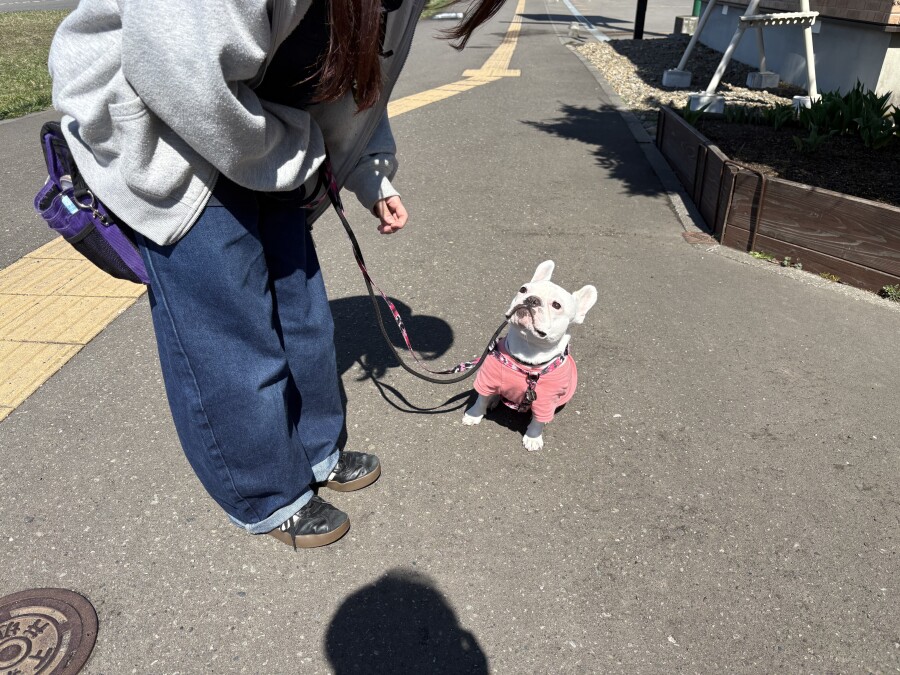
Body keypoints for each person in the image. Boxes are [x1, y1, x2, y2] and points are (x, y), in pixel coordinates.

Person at [47, 0, 507, 549]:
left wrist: (372, 174)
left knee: (304, 314)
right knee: (232, 334)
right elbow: (179, 70)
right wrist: (292, 151)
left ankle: (317, 450)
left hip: (268, 133)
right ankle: (265, 493)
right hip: (169, 125)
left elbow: (359, 77)